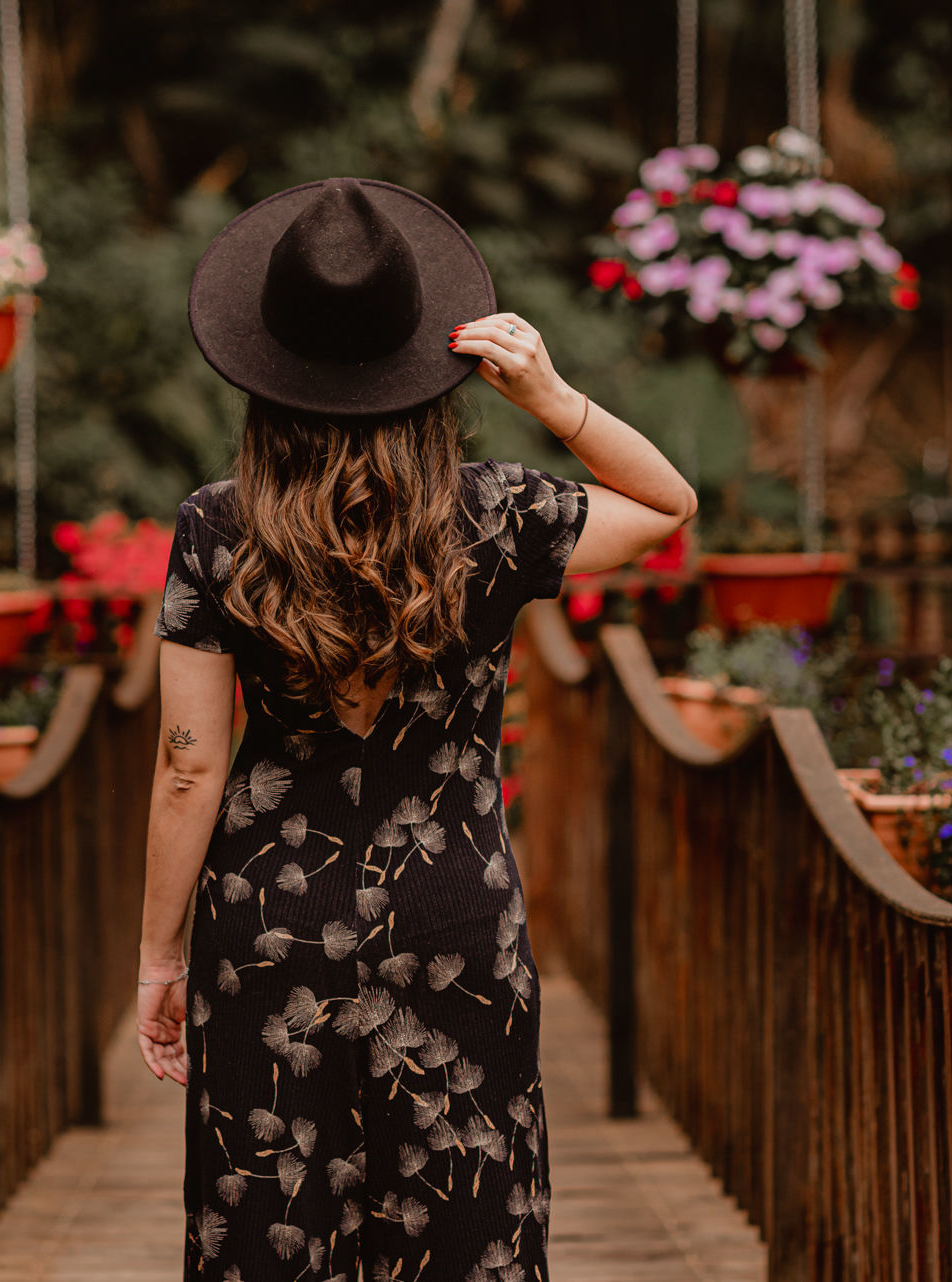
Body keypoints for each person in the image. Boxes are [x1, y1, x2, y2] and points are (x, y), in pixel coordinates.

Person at [137, 176, 696, 1281]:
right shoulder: (493, 515)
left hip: (269, 923)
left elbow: (189, 768)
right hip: (455, 911)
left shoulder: (217, 524)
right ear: (422, 361)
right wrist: (550, 396)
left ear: (266, 366)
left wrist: (158, 954)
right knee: (464, 1221)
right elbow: (671, 506)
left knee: (271, 1225)